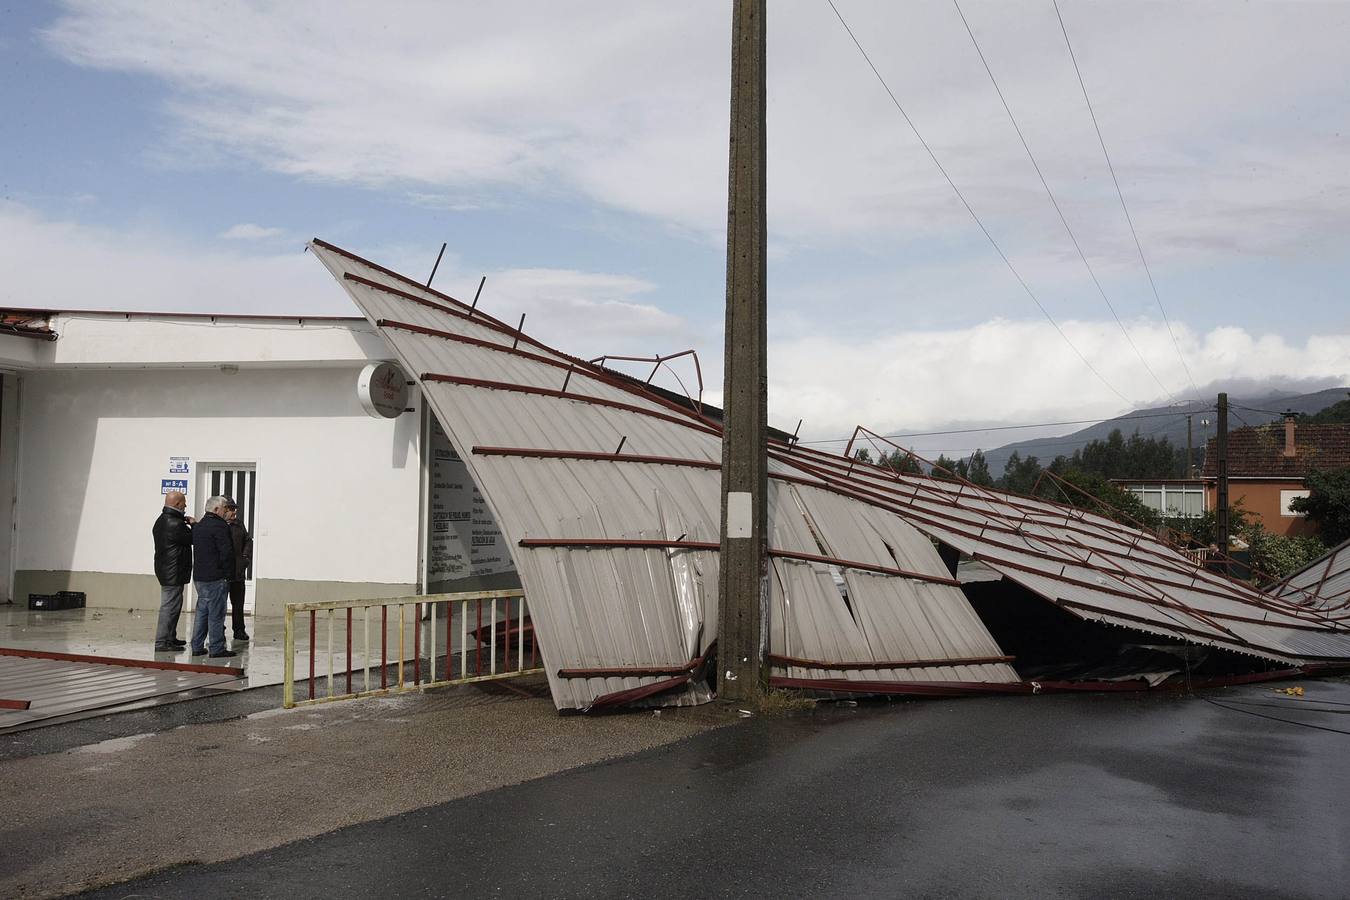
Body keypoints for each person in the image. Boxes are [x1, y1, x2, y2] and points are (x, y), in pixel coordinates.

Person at [190, 496, 236, 658]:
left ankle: (196, 646)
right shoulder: (220, 527)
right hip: (216, 577)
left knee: (202, 611)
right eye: (225, 508)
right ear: (216, 509)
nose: (226, 511)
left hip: (200, 577)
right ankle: (216, 648)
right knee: (216, 614)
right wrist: (229, 574)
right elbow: (226, 553)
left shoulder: (200, 526)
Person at [151, 490, 194, 652]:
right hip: (173, 571)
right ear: (177, 504)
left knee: (174, 605)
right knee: (169, 607)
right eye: (183, 503)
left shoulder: (162, 520)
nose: (186, 505)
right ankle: (161, 642)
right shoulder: (174, 524)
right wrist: (194, 524)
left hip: (167, 569)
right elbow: (192, 538)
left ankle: (170, 638)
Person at [223, 498, 253, 643]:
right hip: (222, 572)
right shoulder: (218, 525)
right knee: (220, 604)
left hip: (238, 571)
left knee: (238, 603)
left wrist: (245, 557)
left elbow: (248, 540)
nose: (234, 511)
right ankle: (218, 630)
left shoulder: (238, 524)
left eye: (234, 508)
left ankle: (239, 630)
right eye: (230, 508)